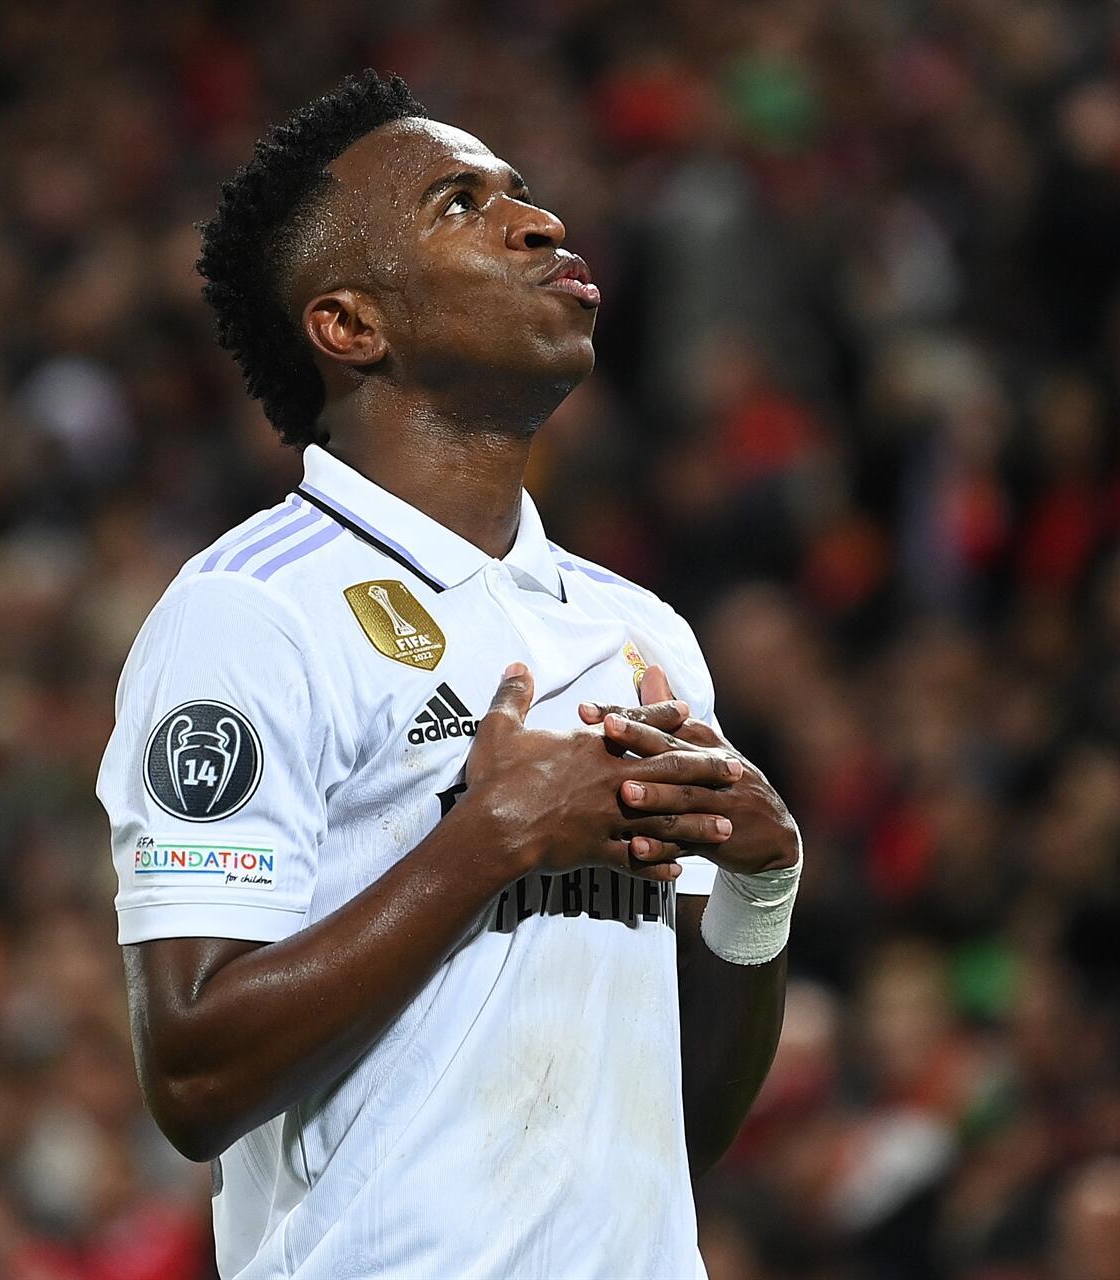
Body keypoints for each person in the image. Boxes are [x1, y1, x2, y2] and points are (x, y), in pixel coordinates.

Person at [94, 70, 802, 1278]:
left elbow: (679, 1126)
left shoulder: (643, 636)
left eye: (524, 192)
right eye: (460, 204)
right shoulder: (250, 613)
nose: (540, 221)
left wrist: (762, 888)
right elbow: (194, 1071)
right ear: (350, 325)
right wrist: (488, 843)